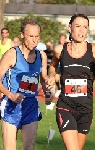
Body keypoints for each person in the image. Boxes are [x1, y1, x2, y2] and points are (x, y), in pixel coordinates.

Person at [48, 14, 95, 150]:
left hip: (86, 110)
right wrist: (53, 76)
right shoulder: (59, 50)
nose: (81, 31)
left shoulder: (94, 50)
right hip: (65, 107)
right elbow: (53, 67)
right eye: (78, 26)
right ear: (70, 28)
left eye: (85, 27)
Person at [0, 20, 52, 150]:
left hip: (31, 105)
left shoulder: (42, 55)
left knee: (29, 147)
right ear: (22, 35)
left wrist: (48, 92)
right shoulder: (12, 54)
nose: (34, 40)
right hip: (11, 106)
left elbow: (43, 78)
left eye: (37, 37)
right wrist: (10, 95)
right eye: (31, 36)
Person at [55, 33, 67, 98]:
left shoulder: (67, 46)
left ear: (65, 39)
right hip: (58, 65)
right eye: (61, 38)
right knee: (56, 78)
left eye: (63, 38)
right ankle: (59, 89)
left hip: (65, 65)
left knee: (64, 79)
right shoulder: (56, 46)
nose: (61, 40)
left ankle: (64, 90)